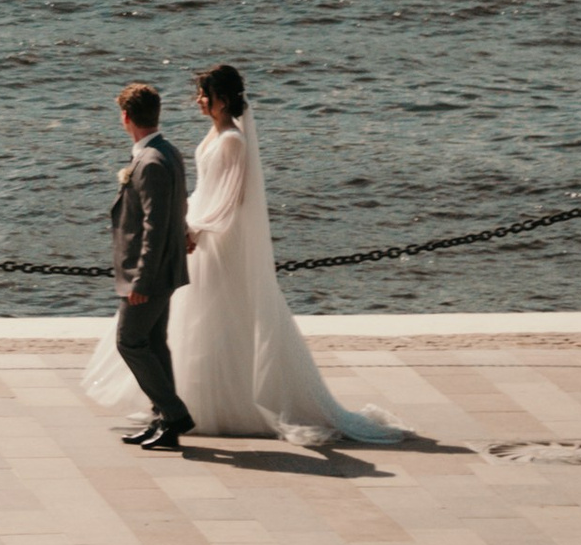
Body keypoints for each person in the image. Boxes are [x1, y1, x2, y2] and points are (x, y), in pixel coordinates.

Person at [82, 65, 409, 450]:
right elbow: (206, 190)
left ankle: (201, 408)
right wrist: (186, 225)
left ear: (222, 98)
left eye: (205, 94)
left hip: (221, 243)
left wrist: (193, 228)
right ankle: (171, 411)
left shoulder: (234, 140)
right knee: (181, 328)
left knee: (211, 321)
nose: (199, 100)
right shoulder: (214, 135)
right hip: (200, 235)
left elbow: (230, 200)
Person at [103, 80, 194, 454]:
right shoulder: (167, 151)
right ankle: (163, 421)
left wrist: (141, 279)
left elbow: (153, 226)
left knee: (129, 342)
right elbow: (178, 208)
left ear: (126, 117)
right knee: (155, 343)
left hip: (150, 275)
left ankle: (174, 414)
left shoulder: (151, 161)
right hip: (165, 269)